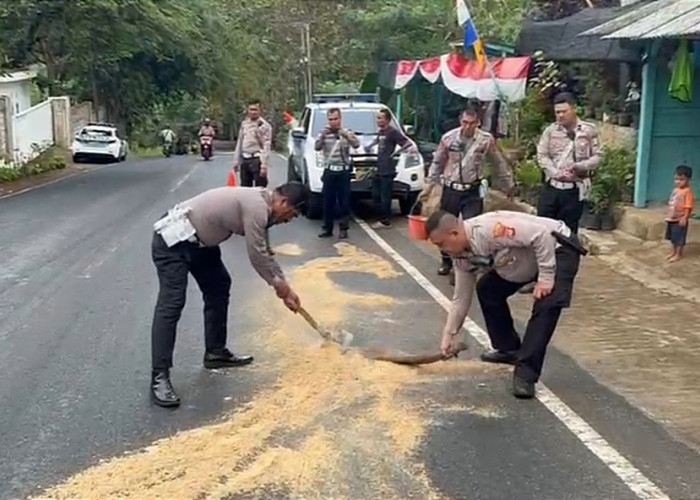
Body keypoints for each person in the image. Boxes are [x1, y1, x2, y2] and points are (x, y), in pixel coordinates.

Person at [149, 182, 309, 408]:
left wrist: (284, 285)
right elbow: (258, 256)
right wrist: (283, 291)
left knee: (218, 285)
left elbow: (266, 251)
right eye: (292, 214)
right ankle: (159, 377)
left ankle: (215, 352)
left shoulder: (264, 206)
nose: (289, 219)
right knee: (172, 304)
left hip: (201, 244)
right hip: (173, 241)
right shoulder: (256, 207)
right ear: (283, 201)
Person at [426, 209, 584, 399]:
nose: (442, 250)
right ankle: (508, 348)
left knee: (546, 304)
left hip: (557, 248)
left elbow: (541, 235)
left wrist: (546, 278)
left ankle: (526, 374)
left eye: (441, 244)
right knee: (488, 290)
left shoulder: (490, 229)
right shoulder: (460, 255)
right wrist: (449, 333)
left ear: (455, 233)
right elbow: (461, 297)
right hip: (524, 260)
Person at [419, 107, 514, 282]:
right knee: (445, 226)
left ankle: (463, 266)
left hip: (472, 190)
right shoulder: (448, 139)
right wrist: (429, 186)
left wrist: (508, 185)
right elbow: (437, 163)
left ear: (477, 123)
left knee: (469, 229)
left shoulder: (485, 140)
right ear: (460, 121)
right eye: (465, 122)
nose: (468, 127)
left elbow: (498, 163)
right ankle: (446, 261)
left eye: (472, 123)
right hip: (451, 189)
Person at [537, 92, 602, 234]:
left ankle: (567, 256)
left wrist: (580, 166)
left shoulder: (588, 130)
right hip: (552, 188)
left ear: (574, 109)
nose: (560, 115)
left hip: (574, 189)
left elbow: (597, 156)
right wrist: (555, 173)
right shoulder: (550, 131)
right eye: (557, 112)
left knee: (568, 234)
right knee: (542, 230)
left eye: (564, 111)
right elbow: (542, 155)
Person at [315, 107, 360, 240]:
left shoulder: (346, 133)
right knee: (328, 201)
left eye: (335, 119)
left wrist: (345, 134)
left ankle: (343, 228)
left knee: (344, 202)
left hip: (343, 171)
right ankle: (327, 228)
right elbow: (317, 147)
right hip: (330, 170)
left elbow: (356, 144)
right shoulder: (324, 133)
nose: (333, 122)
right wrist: (323, 136)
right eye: (330, 119)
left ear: (340, 119)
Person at [369, 108, 417, 229]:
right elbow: (377, 141)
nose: (378, 120)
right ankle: (381, 217)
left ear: (388, 120)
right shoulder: (382, 132)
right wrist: (369, 146)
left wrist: (395, 153)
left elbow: (407, 143)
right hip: (379, 167)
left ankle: (385, 220)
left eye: (381, 118)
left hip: (387, 169)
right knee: (376, 194)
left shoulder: (392, 132)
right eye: (378, 118)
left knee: (385, 196)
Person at [232, 99, 273, 189]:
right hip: (245, 159)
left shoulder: (265, 126)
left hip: (257, 159)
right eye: (251, 109)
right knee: (245, 189)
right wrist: (236, 161)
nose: (253, 112)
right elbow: (240, 142)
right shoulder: (244, 124)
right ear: (247, 110)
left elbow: (266, 145)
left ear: (260, 111)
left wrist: (264, 165)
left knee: (260, 189)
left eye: (255, 109)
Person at [665, 164, 695, 262]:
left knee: (679, 238)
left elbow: (688, 207)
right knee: (673, 237)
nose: (678, 182)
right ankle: (673, 252)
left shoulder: (687, 192)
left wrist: (685, 217)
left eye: (681, 179)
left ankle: (678, 254)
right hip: (672, 218)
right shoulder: (675, 190)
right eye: (676, 179)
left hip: (680, 219)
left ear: (688, 180)